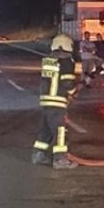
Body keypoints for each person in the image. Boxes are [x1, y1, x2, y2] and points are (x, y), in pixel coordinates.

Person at [33, 34, 81, 169]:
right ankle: (60, 159)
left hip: (46, 99)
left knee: (46, 129)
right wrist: (73, 92)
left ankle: (39, 154)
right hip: (57, 100)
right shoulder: (67, 61)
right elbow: (67, 81)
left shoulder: (48, 60)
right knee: (60, 130)